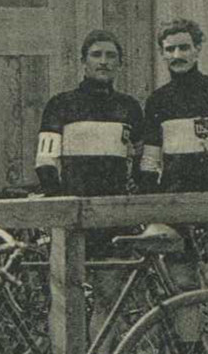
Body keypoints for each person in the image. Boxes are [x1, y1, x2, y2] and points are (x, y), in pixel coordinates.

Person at [139, 18, 208, 338]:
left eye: (184, 47)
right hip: (174, 205)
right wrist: (154, 211)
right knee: (182, 285)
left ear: (197, 49)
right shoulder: (157, 101)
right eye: (170, 49)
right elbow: (150, 163)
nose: (178, 54)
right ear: (163, 55)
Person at [34, 29, 146, 291]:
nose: (103, 61)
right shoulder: (61, 104)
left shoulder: (128, 107)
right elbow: (45, 161)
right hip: (73, 215)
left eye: (111, 56)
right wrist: (61, 205)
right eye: (96, 55)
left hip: (113, 217)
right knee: (65, 296)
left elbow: (144, 158)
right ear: (83, 61)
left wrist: (135, 192)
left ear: (120, 63)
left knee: (109, 294)